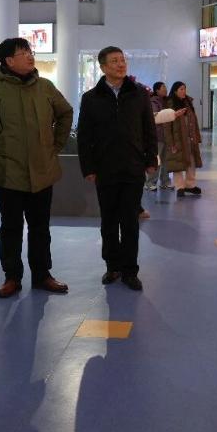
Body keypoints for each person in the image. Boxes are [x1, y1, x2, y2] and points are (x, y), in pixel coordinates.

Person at [0, 38, 73, 299]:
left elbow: (65, 113)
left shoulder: (45, 86)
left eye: (30, 51)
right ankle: (12, 277)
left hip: (42, 170)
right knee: (10, 227)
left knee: (40, 227)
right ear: (9, 61)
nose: (30, 56)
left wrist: (55, 145)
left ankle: (42, 275)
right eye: (23, 53)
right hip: (8, 171)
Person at [77, 47, 157, 291]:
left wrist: (151, 160)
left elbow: (149, 129)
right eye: (114, 61)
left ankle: (130, 270)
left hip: (133, 167)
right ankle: (112, 266)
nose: (121, 64)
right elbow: (84, 136)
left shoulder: (139, 94)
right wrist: (88, 167)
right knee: (109, 221)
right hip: (105, 169)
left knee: (130, 222)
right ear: (103, 67)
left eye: (122, 60)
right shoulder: (91, 98)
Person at [164, 82, 203, 197]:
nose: (184, 91)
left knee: (191, 162)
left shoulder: (188, 102)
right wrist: (171, 143)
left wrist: (197, 136)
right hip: (177, 139)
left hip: (190, 138)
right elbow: (167, 126)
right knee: (178, 163)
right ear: (175, 91)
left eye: (184, 89)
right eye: (181, 89)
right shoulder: (169, 104)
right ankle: (179, 187)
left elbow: (194, 121)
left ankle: (190, 185)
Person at [145, 81, 177, 192]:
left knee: (166, 160)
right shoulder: (153, 102)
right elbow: (155, 117)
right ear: (157, 90)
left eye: (165, 87)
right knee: (156, 161)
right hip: (157, 136)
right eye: (163, 87)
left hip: (166, 136)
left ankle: (165, 182)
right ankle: (150, 183)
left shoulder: (166, 102)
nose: (165, 89)